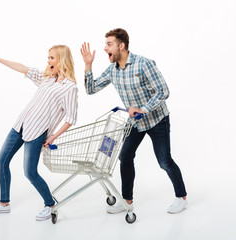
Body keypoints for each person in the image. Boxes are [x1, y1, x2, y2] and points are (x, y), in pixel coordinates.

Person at [80, 28, 187, 214]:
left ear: (122, 46)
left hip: (157, 120)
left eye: (109, 44)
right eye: (105, 44)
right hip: (135, 123)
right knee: (125, 157)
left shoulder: (143, 63)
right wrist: (88, 66)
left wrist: (143, 109)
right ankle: (127, 201)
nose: (105, 48)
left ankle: (181, 197)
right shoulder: (112, 70)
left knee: (164, 161)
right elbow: (91, 89)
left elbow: (163, 91)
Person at [0, 45, 78, 221]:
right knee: (1, 160)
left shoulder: (69, 88)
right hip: (21, 124)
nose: (48, 61)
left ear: (62, 59)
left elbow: (71, 118)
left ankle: (51, 204)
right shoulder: (47, 78)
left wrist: (52, 137)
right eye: (48, 57)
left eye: (52, 58)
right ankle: (4, 204)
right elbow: (23, 68)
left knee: (30, 172)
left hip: (38, 132)